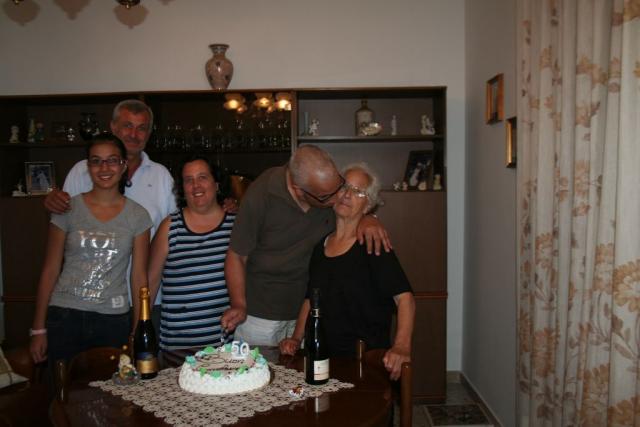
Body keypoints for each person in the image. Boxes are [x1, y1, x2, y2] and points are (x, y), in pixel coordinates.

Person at [221, 145, 391, 347]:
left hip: (309, 312)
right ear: (299, 190)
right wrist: (239, 304)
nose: (338, 198)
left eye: (340, 186)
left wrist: (369, 218)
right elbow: (236, 255)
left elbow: (353, 211)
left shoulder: (325, 189)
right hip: (262, 315)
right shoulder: (263, 193)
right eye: (327, 196)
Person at [279, 163, 415, 380]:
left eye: (358, 191)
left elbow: (405, 298)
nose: (347, 195)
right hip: (324, 356)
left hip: (366, 361)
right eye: (344, 187)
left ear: (368, 205)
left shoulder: (372, 244)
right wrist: (296, 338)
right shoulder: (320, 247)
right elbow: (311, 299)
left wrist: (401, 347)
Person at [29, 134, 152, 365]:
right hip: (65, 316)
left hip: (113, 319)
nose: (104, 168)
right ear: (88, 166)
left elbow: (139, 277)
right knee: (63, 386)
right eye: (96, 161)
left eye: (112, 160)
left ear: (123, 165)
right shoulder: (67, 208)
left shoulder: (138, 216)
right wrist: (38, 329)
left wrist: (138, 329)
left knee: (112, 387)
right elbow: (50, 269)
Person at [147, 155, 235, 350]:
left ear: (217, 184)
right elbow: (150, 284)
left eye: (202, 177)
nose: (196, 186)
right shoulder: (169, 227)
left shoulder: (235, 226)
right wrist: (139, 326)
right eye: (189, 180)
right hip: (177, 346)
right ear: (182, 189)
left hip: (224, 347)